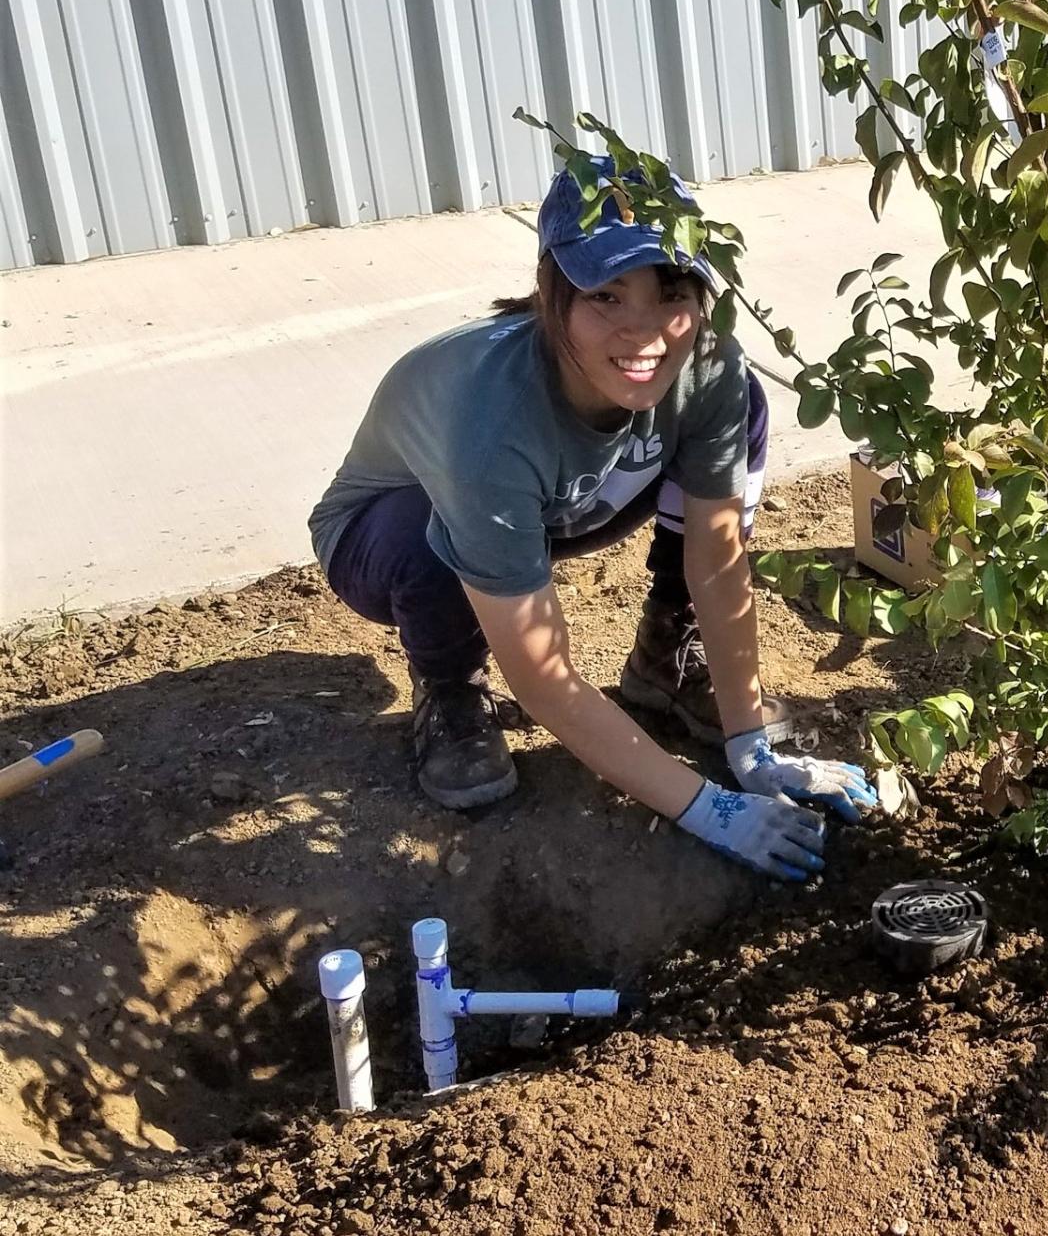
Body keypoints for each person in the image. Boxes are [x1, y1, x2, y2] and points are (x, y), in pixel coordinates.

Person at [308, 155, 876, 882]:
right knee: (431, 536)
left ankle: (670, 652)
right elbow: (545, 679)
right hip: (383, 536)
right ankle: (449, 684)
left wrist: (750, 748)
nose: (644, 332)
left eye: (671, 291)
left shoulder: (704, 365)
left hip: (561, 505)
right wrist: (709, 808)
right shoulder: (485, 423)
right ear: (552, 296)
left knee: (741, 406)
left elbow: (717, 555)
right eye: (606, 295)